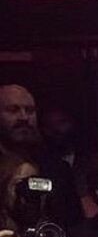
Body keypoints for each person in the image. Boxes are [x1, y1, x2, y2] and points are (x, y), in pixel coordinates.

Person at [0, 84, 82, 229]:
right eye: (13, 110)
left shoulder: (59, 170)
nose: (24, 117)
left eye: (30, 111)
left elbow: (75, 227)